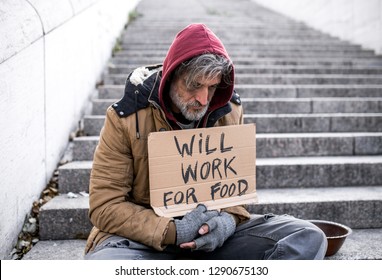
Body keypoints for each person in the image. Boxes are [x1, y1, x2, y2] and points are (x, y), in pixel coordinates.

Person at [84, 23, 327, 260]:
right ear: (171, 77)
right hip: (145, 242)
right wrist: (172, 231)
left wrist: (227, 222)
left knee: (307, 236)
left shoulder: (230, 110)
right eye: (194, 85)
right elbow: (105, 206)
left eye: (211, 87)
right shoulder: (125, 117)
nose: (202, 99)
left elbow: (236, 192)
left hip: (213, 240)